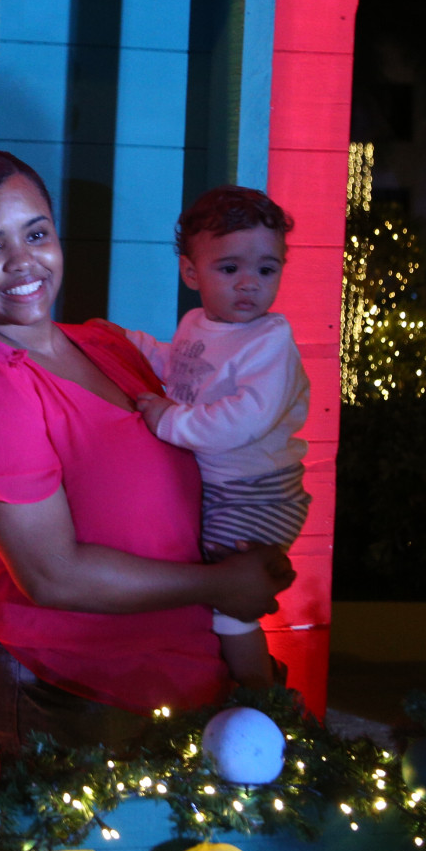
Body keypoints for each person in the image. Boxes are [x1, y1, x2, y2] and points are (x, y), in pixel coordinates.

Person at [0, 148, 295, 851]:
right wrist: (220, 586)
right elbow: (50, 575)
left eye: (36, 233)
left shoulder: (107, 345)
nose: (22, 262)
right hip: (66, 698)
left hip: (195, 697)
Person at [129, 186, 311, 690]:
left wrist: (169, 422)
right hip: (226, 487)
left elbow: (244, 420)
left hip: (258, 492)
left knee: (231, 601)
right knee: (202, 582)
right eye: (230, 269)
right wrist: (129, 344)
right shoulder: (198, 323)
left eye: (266, 270)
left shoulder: (269, 341)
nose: (249, 284)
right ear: (192, 273)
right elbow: (180, 367)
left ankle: (260, 695)